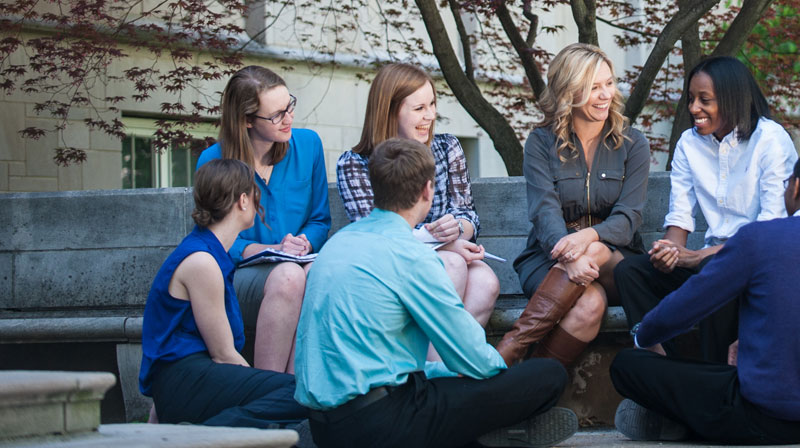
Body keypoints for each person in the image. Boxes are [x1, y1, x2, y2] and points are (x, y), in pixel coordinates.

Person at [295, 138, 577, 448]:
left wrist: (442, 372)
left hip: (322, 425)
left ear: (375, 187)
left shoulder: (338, 244)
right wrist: (499, 379)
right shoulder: (412, 255)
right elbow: (470, 357)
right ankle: (501, 429)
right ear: (428, 190)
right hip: (384, 421)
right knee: (547, 375)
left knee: (441, 389)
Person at [609, 147, 800, 444]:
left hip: (761, 413)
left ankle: (683, 423)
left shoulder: (759, 237)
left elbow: (691, 302)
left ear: (796, 186)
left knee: (627, 366)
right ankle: (690, 422)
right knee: (723, 383)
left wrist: (643, 336)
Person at [614, 56, 796, 362]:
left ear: (732, 99)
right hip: (708, 264)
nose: (693, 108)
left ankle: (715, 379)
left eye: (704, 100)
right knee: (631, 271)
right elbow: (680, 219)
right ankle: (660, 367)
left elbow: (767, 234)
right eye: (691, 99)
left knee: (715, 273)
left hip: (757, 268)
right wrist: (668, 252)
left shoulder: (771, 141)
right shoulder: (688, 144)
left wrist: (698, 257)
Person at [501, 43, 650, 367]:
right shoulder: (542, 142)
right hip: (548, 259)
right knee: (589, 305)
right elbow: (544, 211)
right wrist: (566, 255)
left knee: (596, 249)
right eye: (592, 87)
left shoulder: (632, 143)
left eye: (608, 83)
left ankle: (511, 348)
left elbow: (628, 219)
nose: (604, 94)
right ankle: (532, 388)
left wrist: (584, 240)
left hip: (618, 264)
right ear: (568, 91)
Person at [139, 158, 308, 428]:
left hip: (186, 381)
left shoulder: (209, 252)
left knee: (288, 400)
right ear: (243, 200)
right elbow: (223, 354)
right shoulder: (202, 261)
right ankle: (202, 437)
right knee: (303, 394)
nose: (257, 200)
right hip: (186, 380)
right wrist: (257, 386)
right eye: (254, 193)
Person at [337, 63, 499, 327]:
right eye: (419, 108)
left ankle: (449, 366)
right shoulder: (355, 164)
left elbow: (467, 213)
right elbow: (376, 232)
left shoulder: (447, 148)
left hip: (450, 252)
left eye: (432, 105)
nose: (431, 115)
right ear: (390, 111)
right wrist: (442, 243)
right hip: (389, 263)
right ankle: (428, 364)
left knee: (486, 281)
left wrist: (457, 228)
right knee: (451, 266)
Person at [196, 65, 330, 373]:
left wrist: (302, 242)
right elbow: (212, 240)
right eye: (276, 115)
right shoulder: (214, 162)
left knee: (317, 275)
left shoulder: (308, 145)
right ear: (246, 121)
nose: (289, 119)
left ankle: (297, 392)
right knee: (289, 277)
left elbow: (320, 219)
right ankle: (267, 386)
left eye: (290, 106)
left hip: (299, 265)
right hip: (240, 276)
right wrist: (264, 251)